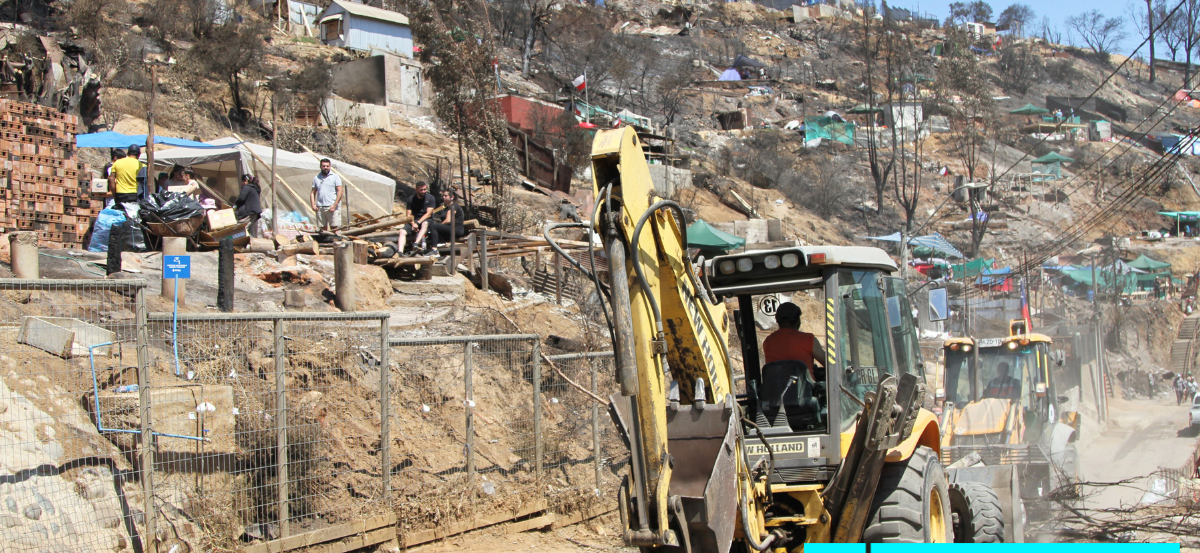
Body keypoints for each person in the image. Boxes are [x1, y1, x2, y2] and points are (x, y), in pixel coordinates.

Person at [762, 302, 827, 379]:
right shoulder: (808, 340)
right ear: (798, 321)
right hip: (804, 390)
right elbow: (828, 364)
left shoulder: (768, 342)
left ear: (777, 320)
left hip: (775, 390)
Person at [397, 182, 438, 255]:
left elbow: (428, 214)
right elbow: (408, 215)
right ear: (416, 190)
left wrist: (418, 223)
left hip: (426, 220)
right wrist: (413, 224)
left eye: (425, 189)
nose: (423, 191)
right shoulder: (411, 199)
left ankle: (416, 243)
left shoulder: (431, 198)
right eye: (421, 190)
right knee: (402, 231)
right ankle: (400, 252)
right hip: (414, 221)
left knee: (425, 223)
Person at [310, 158, 343, 231]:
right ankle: (325, 241)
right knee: (322, 228)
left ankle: (336, 241)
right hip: (320, 207)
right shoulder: (316, 178)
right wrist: (313, 204)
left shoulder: (335, 177)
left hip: (331, 206)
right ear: (320, 167)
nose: (325, 168)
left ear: (330, 166)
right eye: (324, 166)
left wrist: (335, 205)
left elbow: (340, 191)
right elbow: (313, 192)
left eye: (327, 166)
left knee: (334, 227)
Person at [109, 144, 143, 211]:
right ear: (139, 154)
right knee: (133, 215)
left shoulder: (117, 163)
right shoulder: (141, 165)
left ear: (127, 153)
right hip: (134, 195)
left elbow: (111, 179)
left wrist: (114, 193)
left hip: (120, 194)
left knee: (120, 214)